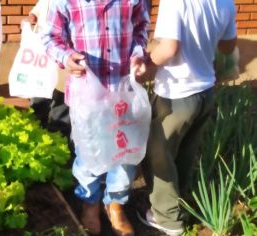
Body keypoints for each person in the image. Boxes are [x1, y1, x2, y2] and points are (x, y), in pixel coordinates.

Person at [42, 1, 150, 235]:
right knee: (88, 153)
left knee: (124, 153)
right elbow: (50, 37)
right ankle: (89, 203)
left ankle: (115, 205)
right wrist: (66, 57)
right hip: (87, 93)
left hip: (123, 92)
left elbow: (142, 27)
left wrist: (138, 55)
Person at [134, 0, 237, 235]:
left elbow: (169, 49)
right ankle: (176, 199)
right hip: (205, 92)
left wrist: (146, 64)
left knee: (158, 155)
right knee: (184, 151)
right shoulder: (225, 3)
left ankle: (167, 219)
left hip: (176, 95)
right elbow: (228, 47)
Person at [28, 0, 71, 139]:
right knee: (39, 92)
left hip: (65, 50)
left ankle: (58, 138)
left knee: (61, 96)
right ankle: (38, 131)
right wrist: (35, 12)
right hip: (44, 50)